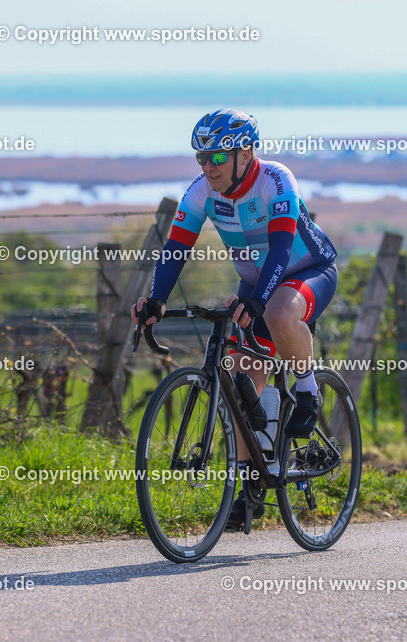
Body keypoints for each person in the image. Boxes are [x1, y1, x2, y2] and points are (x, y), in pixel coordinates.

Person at [131, 108, 339, 528]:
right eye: (201, 158)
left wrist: (261, 300)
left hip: (306, 271)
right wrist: (155, 300)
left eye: (217, 157)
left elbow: (281, 251)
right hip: (258, 282)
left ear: (245, 152)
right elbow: (175, 250)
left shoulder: (276, 180)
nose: (208, 167)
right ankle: (251, 489)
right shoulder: (201, 191)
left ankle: (307, 390)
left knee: (280, 310)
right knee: (239, 384)